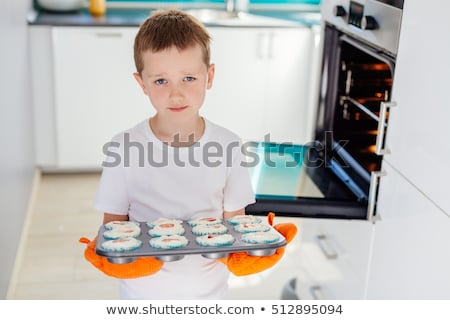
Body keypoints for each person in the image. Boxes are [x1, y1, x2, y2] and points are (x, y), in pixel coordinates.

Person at [80, 8, 296, 300]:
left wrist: (247, 253)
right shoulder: (123, 148)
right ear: (141, 83)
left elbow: (235, 225)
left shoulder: (229, 146)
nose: (176, 94)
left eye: (189, 78)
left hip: (209, 295)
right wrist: (123, 263)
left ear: (210, 76)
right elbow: (114, 227)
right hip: (142, 297)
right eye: (160, 81)